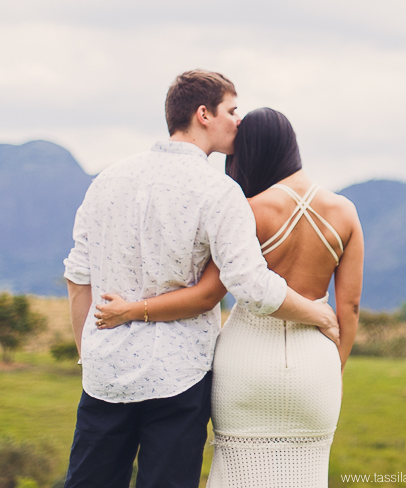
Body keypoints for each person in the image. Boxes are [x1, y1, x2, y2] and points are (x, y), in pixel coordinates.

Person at [61, 71, 339, 488]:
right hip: (179, 377)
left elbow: (78, 277)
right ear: (203, 114)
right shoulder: (219, 191)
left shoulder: (107, 180)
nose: (238, 122)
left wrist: (91, 353)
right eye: (232, 110)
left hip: (106, 373)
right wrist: (317, 313)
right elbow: (249, 284)